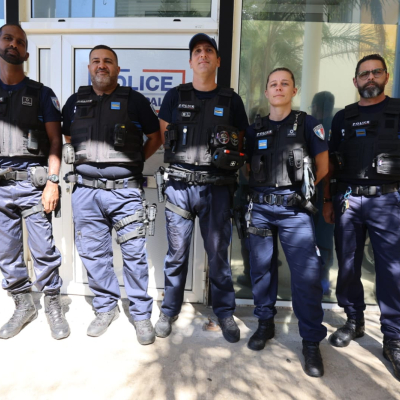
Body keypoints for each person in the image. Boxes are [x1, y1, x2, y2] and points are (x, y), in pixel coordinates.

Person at [62, 45, 161, 345]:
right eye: (96, 61)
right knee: (94, 254)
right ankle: (106, 308)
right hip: (86, 192)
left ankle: (141, 315)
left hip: (125, 192)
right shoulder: (74, 102)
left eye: (108, 61)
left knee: (134, 254)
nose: (101, 66)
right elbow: (68, 137)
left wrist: (133, 163)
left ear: (118, 69)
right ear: (89, 68)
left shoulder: (136, 101)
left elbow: (156, 137)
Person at [155, 33, 249, 343]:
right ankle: (169, 310)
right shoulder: (174, 97)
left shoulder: (232, 101)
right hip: (179, 188)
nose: (203, 54)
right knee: (176, 255)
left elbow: (242, 144)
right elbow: (164, 139)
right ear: (191, 60)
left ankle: (224, 311)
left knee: (218, 255)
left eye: (209, 50)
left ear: (218, 60)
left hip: (217, 189)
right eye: (197, 51)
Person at [245, 67, 329, 377]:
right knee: (261, 271)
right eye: (273, 84)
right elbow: (246, 169)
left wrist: (298, 195)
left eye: (285, 84)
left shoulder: (308, 124)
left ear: (294, 91)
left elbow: (322, 166)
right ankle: (265, 324)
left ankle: (310, 342)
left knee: (306, 279)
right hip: (261, 210)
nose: (278, 88)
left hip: (295, 212)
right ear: (266, 93)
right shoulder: (254, 130)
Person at [323, 54, 400, 381]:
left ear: (385, 76)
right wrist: (327, 199)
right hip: (349, 200)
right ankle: (353, 321)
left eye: (375, 72)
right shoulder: (344, 117)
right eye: (364, 74)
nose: (370, 78)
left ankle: (393, 336)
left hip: (389, 201)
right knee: (349, 264)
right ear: (355, 81)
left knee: (391, 270)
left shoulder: (398, 110)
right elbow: (331, 163)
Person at [0, 24, 70, 340]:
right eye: (7, 38)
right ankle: (23, 304)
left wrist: (53, 182)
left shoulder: (42, 94)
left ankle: (53, 303)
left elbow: (56, 142)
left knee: (44, 251)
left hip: (32, 185)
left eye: (20, 42)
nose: (14, 44)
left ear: (26, 53)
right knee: (7, 253)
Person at [310, 91, 336, 295]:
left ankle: (321, 279)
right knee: (322, 238)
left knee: (321, 238)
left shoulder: (323, 128)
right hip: (321, 194)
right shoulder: (317, 126)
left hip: (323, 194)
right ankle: (321, 278)